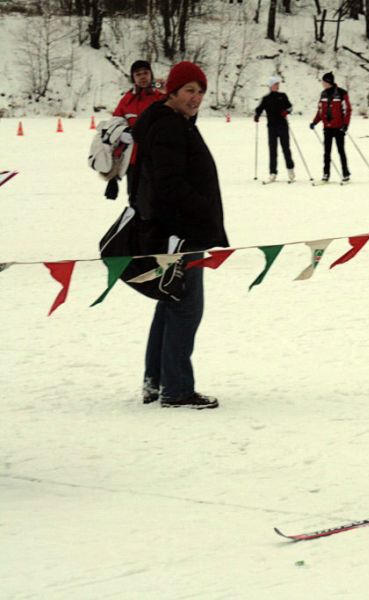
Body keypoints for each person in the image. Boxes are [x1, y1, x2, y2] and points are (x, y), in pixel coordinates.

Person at [130, 61, 229, 409]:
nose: (196, 97)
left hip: (173, 230)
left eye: (201, 91)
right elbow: (169, 185)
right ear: (171, 91)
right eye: (189, 90)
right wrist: (201, 208)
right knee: (186, 308)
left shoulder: (169, 122)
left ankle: (156, 381)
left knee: (170, 304)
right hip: (180, 233)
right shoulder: (170, 127)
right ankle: (176, 388)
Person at [112, 60, 164, 197]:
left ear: (151, 74)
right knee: (135, 199)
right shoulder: (127, 99)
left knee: (160, 198)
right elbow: (114, 123)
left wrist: (166, 89)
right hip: (134, 160)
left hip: (159, 158)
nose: (142, 77)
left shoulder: (162, 96)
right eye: (138, 74)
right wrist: (121, 133)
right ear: (133, 78)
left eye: (145, 73)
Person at [309, 72, 351, 183]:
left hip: (339, 127)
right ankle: (326, 173)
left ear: (328, 82)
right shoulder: (323, 94)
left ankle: (345, 173)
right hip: (327, 127)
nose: (322, 83)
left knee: (341, 151)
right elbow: (320, 111)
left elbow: (348, 110)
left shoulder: (342, 93)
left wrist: (345, 124)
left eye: (324, 81)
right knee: (327, 152)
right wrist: (314, 122)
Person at [254, 76, 296, 183]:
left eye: (278, 84)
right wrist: (257, 115)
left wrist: (286, 112)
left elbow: (290, 107)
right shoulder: (266, 98)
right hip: (272, 127)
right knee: (272, 150)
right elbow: (259, 108)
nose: (277, 86)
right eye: (275, 84)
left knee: (286, 148)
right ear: (270, 86)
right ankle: (273, 173)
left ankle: (290, 170)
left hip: (282, 126)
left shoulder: (283, 96)